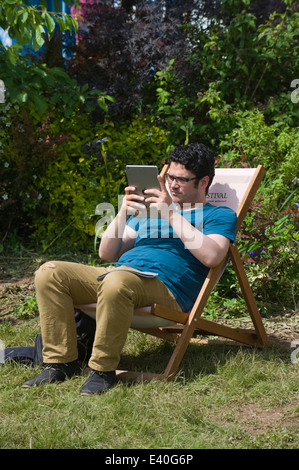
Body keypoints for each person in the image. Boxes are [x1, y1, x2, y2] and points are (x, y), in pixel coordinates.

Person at [22, 143, 237, 395]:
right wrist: (123, 211)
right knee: (50, 272)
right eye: (169, 177)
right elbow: (107, 253)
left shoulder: (219, 215)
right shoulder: (150, 210)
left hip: (166, 288)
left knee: (117, 281)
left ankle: (102, 370)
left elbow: (212, 256)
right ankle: (60, 363)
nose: (173, 185)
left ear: (203, 182)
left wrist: (170, 213)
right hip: (122, 275)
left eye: (182, 180)